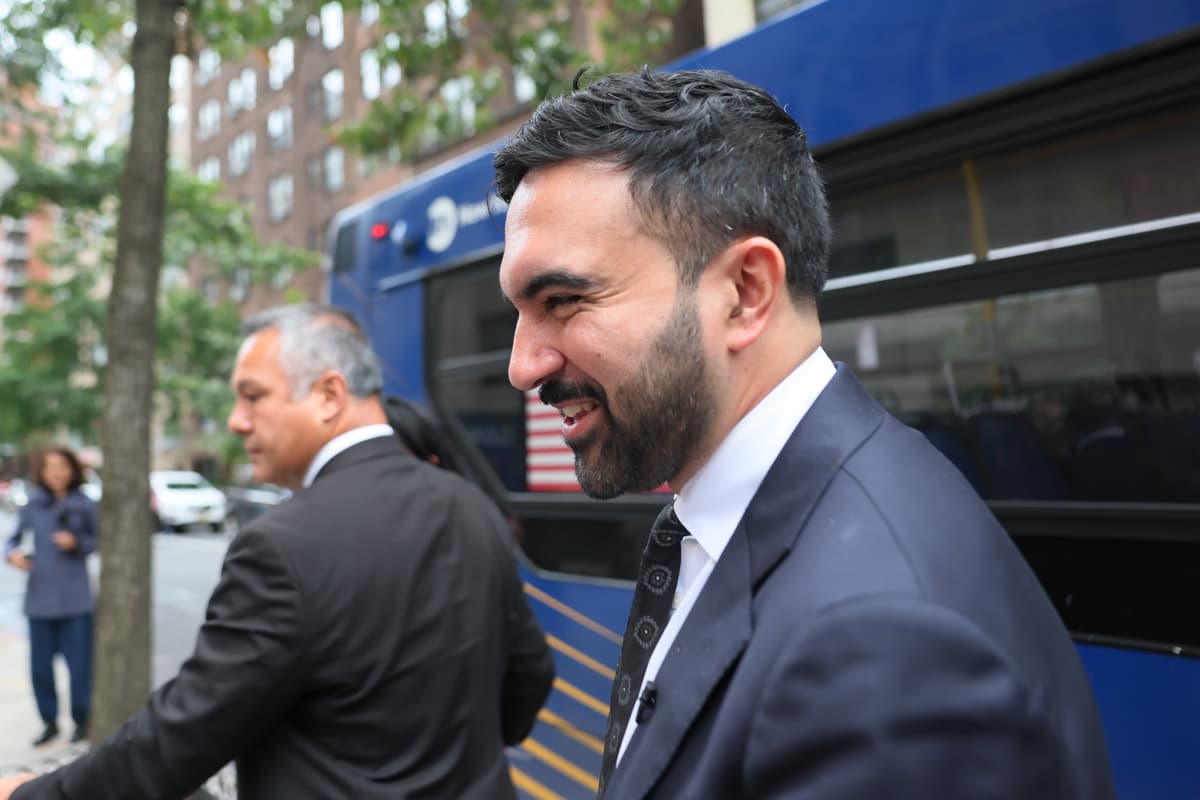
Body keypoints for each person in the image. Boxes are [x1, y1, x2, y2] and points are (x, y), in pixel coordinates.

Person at [494, 68, 1115, 799]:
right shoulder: (853, 493)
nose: (520, 366)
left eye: (564, 300)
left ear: (746, 292)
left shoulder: (880, 647)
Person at [1, 304, 554, 800]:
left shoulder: (280, 545)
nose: (236, 421)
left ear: (329, 396)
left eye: (253, 395)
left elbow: (183, 736)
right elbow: (529, 676)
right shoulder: (472, 504)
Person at [3, 445, 98, 747]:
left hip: (75, 600)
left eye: (63, 466)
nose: (57, 472)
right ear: (42, 472)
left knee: (80, 667)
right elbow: (12, 540)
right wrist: (12, 555)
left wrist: (77, 542)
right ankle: (49, 721)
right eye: (50, 466)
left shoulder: (84, 504)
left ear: (72, 470)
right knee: (40, 669)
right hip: (40, 599)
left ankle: (81, 719)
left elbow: (97, 540)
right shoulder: (33, 505)